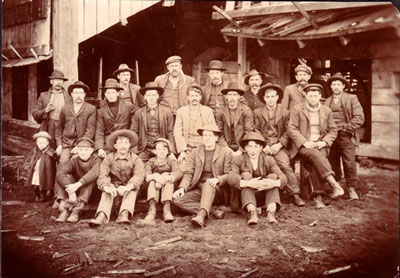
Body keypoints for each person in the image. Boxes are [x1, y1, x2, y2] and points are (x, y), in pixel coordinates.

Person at [288, 83, 344, 208]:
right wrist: (304, 142)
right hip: (303, 145)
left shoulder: (326, 110)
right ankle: (333, 184)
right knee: (315, 155)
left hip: (320, 144)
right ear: (305, 96)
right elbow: (292, 129)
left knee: (316, 159)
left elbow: (333, 130)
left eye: (315, 95)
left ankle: (318, 196)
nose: (312, 98)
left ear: (320, 96)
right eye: (310, 95)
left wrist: (324, 142)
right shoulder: (297, 109)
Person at [254, 83, 305, 207]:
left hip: (279, 145)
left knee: (284, 165)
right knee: (259, 165)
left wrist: (279, 144)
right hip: (262, 146)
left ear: (277, 97)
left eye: (273, 96)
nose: (270, 99)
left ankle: (295, 194)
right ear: (264, 98)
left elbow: (289, 131)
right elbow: (254, 130)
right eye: (268, 97)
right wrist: (263, 145)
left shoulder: (285, 113)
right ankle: (261, 195)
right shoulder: (257, 112)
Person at [172, 125, 232, 228]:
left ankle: (201, 216)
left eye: (210, 135)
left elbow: (229, 174)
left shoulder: (225, 152)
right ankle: (212, 211)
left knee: (208, 184)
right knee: (177, 200)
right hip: (200, 189)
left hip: (217, 190)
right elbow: (189, 173)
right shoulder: (195, 152)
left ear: (216, 138)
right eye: (205, 135)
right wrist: (182, 188)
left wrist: (217, 179)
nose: (207, 138)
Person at [228, 132, 287, 225]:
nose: (253, 150)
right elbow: (231, 178)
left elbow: (283, 177)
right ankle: (252, 212)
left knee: (273, 177)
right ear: (245, 148)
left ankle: (271, 212)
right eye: (250, 146)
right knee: (246, 175)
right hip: (244, 198)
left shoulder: (268, 159)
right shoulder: (238, 159)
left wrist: (273, 183)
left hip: (263, 195)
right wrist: (248, 183)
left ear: (261, 148)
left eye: (256, 146)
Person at [89, 130, 144, 227]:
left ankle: (124, 214)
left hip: (129, 189)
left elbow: (138, 176)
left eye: (126, 143)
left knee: (133, 189)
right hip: (113, 189)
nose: (123, 146)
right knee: (107, 188)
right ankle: (102, 215)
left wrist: (127, 187)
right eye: (120, 143)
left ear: (130, 145)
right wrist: (107, 187)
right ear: (115, 146)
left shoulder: (136, 159)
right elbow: (103, 174)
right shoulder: (108, 158)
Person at [325, 73, 365, 200]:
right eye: (333, 84)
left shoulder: (351, 98)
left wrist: (345, 128)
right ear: (331, 86)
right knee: (333, 161)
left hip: (346, 135)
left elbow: (359, 118)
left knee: (349, 162)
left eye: (338, 84)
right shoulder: (327, 101)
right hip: (331, 135)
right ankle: (336, 187)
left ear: (343, 86)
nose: (336, 87)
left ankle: (351, 189)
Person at [55, 138, 101, 223]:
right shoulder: (74, 160)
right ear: (77, 151)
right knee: (66, 177)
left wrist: (77, 184)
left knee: (89, 180)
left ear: (91, 151)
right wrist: (70, 191)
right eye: (80, 150)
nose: (83, 152)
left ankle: (76, 212)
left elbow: (94, 173)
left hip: (90, 194)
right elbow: (60, 172)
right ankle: (63, 210)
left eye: (86, 150)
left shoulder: (96, 160)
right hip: (75, 192)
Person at [140, 138, 182, 225]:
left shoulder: (171, 161)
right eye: (159, 149)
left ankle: (167, 210)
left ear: (168, 151)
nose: (162, 152)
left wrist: (165, 178)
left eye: (164, 149)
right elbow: (147, 174)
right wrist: (156, 177)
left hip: (167, 188)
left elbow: (177, 172)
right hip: (154, 187)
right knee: (152, 180)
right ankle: (152, 210)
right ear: (155, 151)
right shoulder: (151, 161)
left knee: (168, 179)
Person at [131, 82, 175, 163]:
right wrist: (135, 152)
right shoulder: (139, 113)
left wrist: (171, 151)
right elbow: (134, 133)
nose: (151, 98)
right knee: (137, 165)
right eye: (149, 95)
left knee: (167, 166)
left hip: (162, 148)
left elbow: (170, 132)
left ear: (158, 96)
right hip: (144, 148)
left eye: (153, 95)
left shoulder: (167, 112)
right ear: (145, 97)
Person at [174, 84, 216, 165]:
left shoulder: (207, 111)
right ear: (188, 97)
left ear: (200, 97)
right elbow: (177, 132)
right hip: (187, 148)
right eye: (192, 96)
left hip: (204, 147)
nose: (194, 98)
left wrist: (209, 148)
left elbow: (213, 131)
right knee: (184, 167)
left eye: (196, 96)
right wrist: (182, 151)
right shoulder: (181, 111)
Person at [55, 81, 96, 162]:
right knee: (63, 162)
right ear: (72, 94)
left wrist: (81, 145)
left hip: (83, 144)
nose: (78, 96)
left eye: (81, 93)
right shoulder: (65, 109)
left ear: (84, 95)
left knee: (77, 162)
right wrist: (59, 144)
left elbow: (90, 131)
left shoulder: (91, 109)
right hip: (66, 144)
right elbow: (59, 128)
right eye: (76, 93)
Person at [95, 78, 136, 158]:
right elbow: (99, 131)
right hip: (109, 141)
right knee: (99, 158)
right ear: (105, 95)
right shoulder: (101, 111)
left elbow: (139, 115)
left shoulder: (128, 106)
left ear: (118, 93)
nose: (111, 95)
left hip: (124, 139)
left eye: (113, 92)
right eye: (108, 93)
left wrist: (132, 132)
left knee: (132, 158)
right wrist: (99, 148)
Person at [32, 70, 71, 149]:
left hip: (64, 126)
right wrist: (46, 110)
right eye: (56, 80)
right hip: (49, 125)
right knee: (49, 148)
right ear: (51, 81)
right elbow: (35, 114)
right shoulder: (43, 96)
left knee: (63, 148)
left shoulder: (69, 97)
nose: (58, 82)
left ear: (63, 82)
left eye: (60, 80)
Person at [216, 82, 254, 156]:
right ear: (226, 96)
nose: (232, 98)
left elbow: (248, 132)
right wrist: (226, 148)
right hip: (225, 146)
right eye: (230, 94)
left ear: (239, 96)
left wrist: (240, 150)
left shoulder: (246, 111)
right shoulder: (221, 112)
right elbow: (219, 133)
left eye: (235, 95)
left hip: (242, 146)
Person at [25, 131, 56, 202]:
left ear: (47, 143)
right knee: (35, 185)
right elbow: (31, 159)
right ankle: (37, 195)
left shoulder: (50, 152)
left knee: (43, 184)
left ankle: (43, 196)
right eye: (39, 143)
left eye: (43, 143)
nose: (41, 145)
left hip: (45, 173)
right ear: (36, 143)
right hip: (36, 172)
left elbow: (54, 161)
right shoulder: (36, 151)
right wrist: (29, 165)